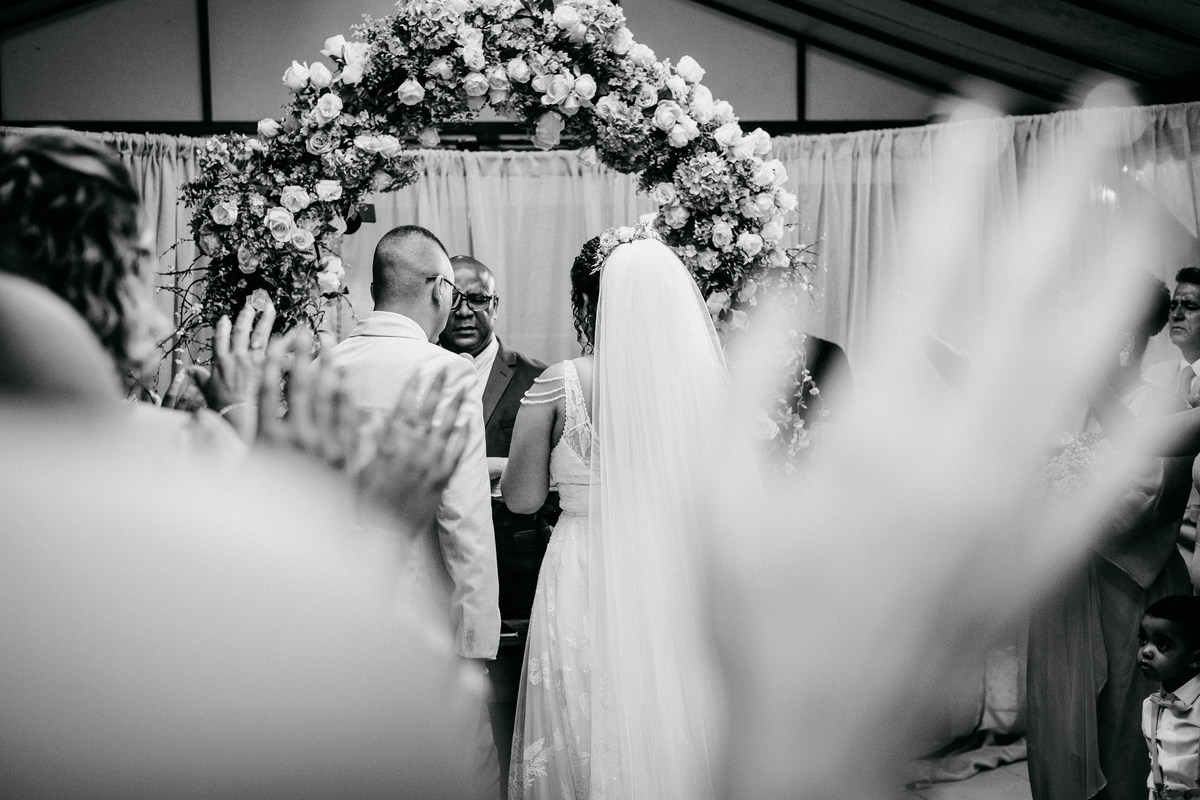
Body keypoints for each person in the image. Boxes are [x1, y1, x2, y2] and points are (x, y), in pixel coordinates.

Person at [503, 225, 727, 799]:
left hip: (585, 569)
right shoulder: (699, 387)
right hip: (670, 567)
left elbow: (522, 499)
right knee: (663, 714)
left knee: (588, 717)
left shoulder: (562, 383)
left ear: (587, 301)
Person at [330, 224, 501, 799]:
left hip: (339, 610)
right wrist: (476, 638)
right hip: (423, 615)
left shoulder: (324, 367)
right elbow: (465, 517)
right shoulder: (445, 371)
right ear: (438, 289)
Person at [1027, 274, 1193, 800]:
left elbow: (1139, 506)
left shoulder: (1161, 403)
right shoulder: (1066, 405)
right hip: (1063, 589)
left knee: (1124, 729)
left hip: (1126, 592)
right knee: (1059, 723)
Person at [438, 254, 556, 622]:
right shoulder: (418, 372)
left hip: (518, 571)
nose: (463, 311)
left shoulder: (540, 378)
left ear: (495, 305)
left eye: (476, 299)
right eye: (453, 299)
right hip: (436, 569)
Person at [1144, 267, 1200, 589]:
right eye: (1174, 304)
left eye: (1190, 306)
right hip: (1149, 533)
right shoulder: (1153, 376)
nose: (1177, 313)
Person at [1139, 595, 1200, 800]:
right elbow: (1156, 768)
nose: (1146, 650)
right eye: (1144, 640)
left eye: (1162, 645)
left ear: (1195, 659)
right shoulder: (1150, 705)